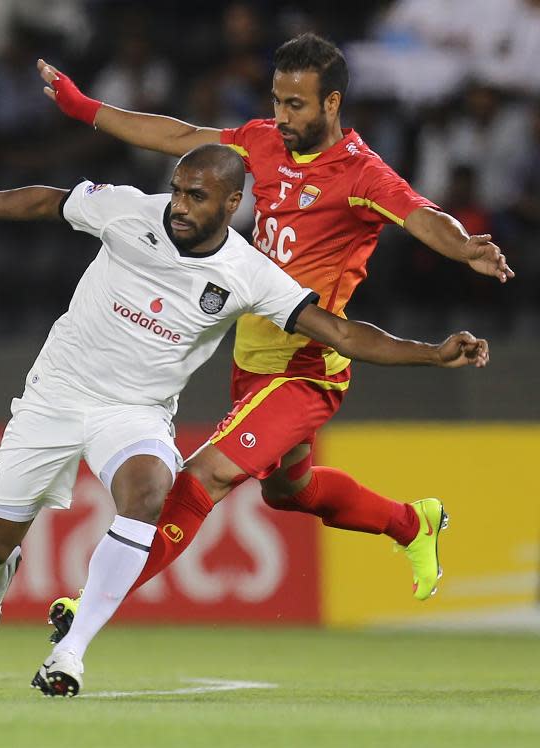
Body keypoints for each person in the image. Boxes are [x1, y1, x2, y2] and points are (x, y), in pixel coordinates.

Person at [0, 145, 488, 697]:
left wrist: (431, 352)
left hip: (136, 413)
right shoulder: (127, 210)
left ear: (233, 204)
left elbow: (337, 331)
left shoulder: (247, 273)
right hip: (55, 397)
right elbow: (49, 199)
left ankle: (70, 652)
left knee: (152, 489)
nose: (179, 205)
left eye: (196, 196)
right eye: (177, 190)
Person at [35, 34, 513, 636]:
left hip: (307, 364)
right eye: (278, 101)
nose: (282, 117)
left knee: (203, 474)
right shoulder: (261, 141)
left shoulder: (360, 174)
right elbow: (182, 137)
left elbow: (420, 214)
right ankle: (412, 524)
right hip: (253, 359)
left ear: (332, 104)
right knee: (291, 491)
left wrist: (464, 246)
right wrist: (85, 108)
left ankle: (92, 602)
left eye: (297, 106)